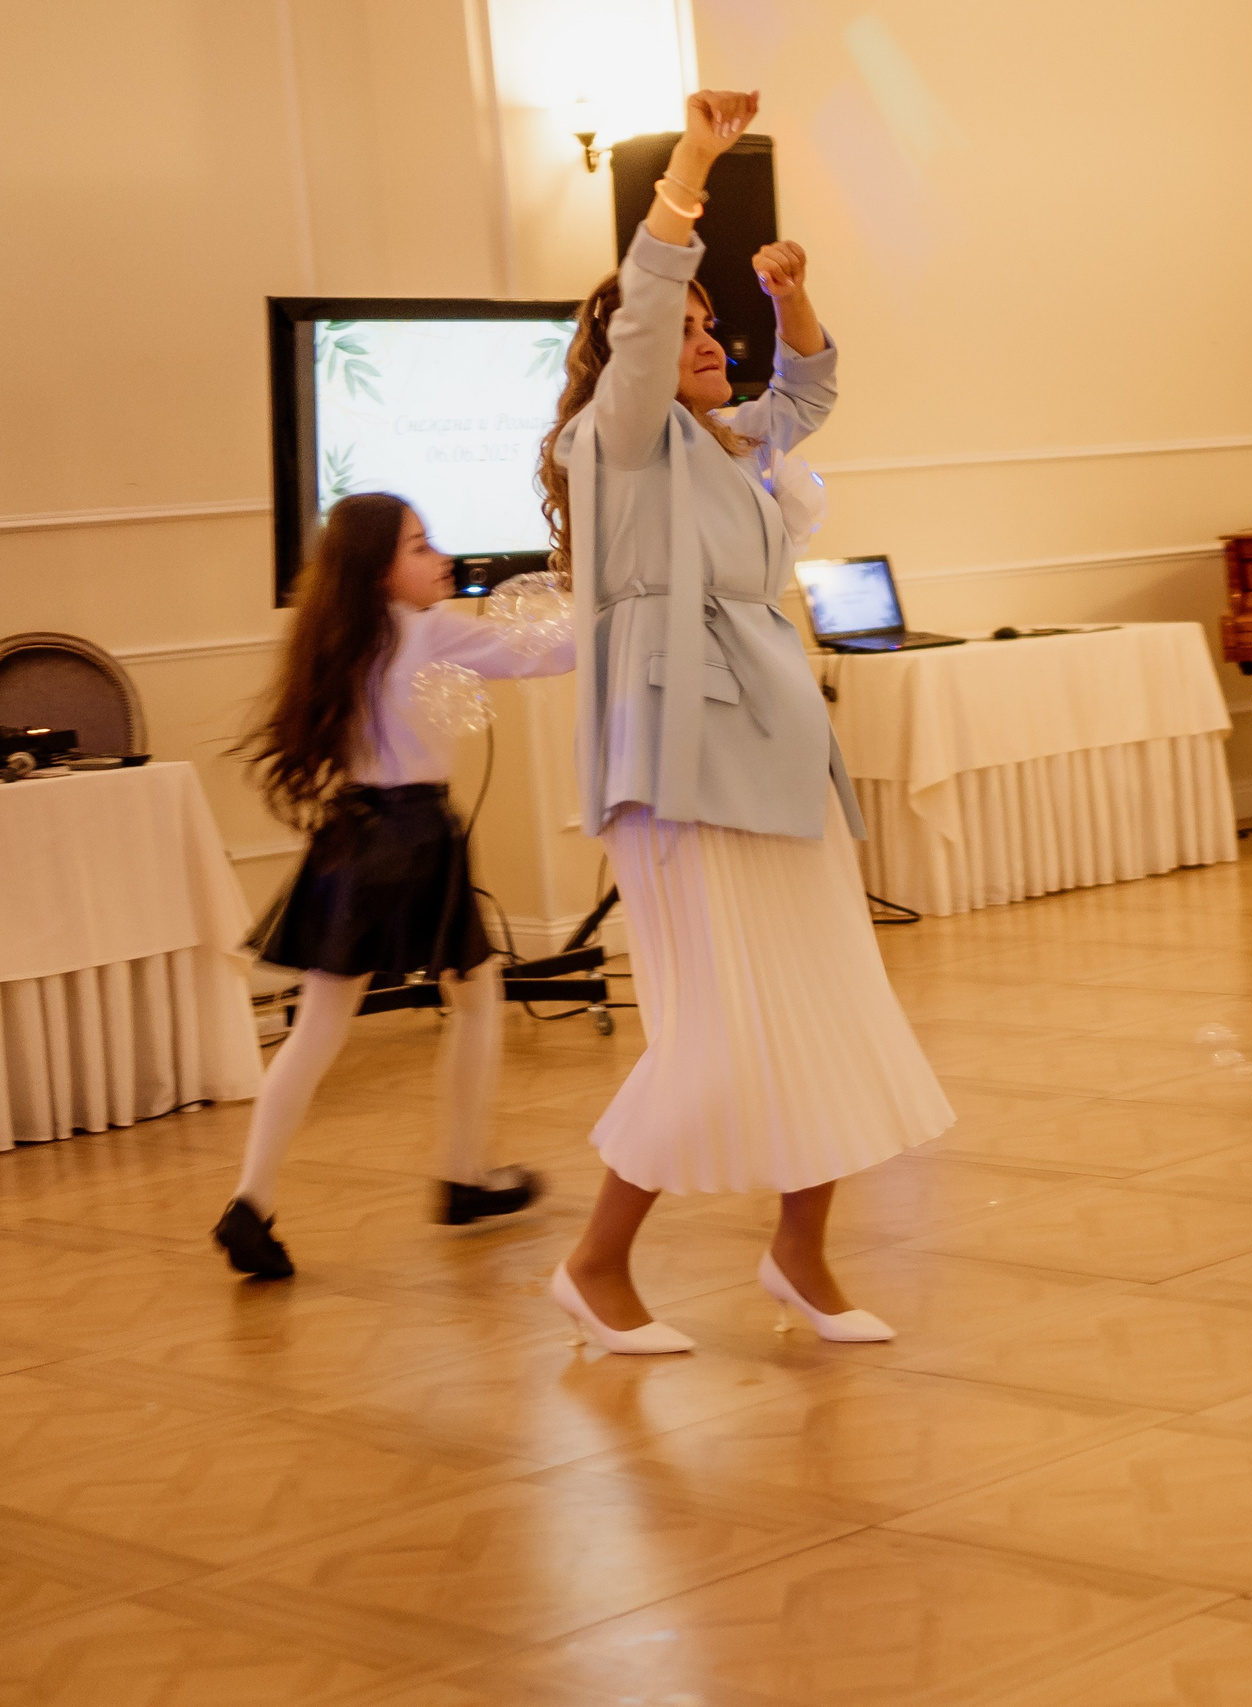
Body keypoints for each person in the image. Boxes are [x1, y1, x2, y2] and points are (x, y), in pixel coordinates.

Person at [537, 88, 953, 1356]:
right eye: (686, 326)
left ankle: (800, 1255)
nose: (707, 338)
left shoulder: (722, 442)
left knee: (823, 1004)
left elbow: (810, 392)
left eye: (714, 325)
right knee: (717, 1035)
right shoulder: (612, 443)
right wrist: (693, 166)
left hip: (777, 752)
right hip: (682, 764)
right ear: (630, 353)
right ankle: (595, 1266)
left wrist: (793, 299)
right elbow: (649, 301)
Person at [215, 494, 569, 1278]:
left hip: (349, 834)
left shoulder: (334, 637)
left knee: (322, 1026)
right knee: (475, 996)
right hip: (413, 835)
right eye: (420, 546)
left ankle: (251, 1200)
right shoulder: (425, 629)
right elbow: (545, 652)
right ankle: (464, 1175)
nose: (440, 557)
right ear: (380, 569)